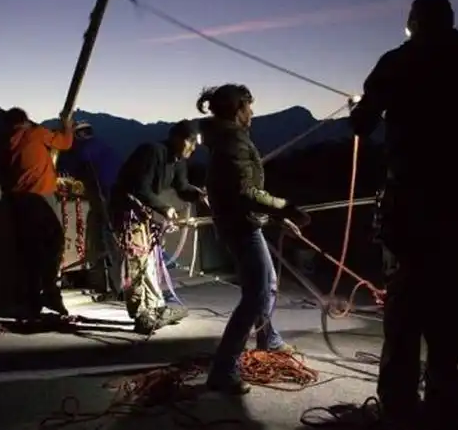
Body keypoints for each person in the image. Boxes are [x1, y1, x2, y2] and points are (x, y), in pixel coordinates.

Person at [348, 0, 458, 429]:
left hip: (410, 199)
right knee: (447, 296)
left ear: (414, 22)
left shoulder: (398, 61)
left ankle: (398, 404)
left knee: (404, 300)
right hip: (455, 196)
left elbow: (362, 124)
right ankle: (443, 397)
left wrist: (362, 107)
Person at [198, 84, 311, 395]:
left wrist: (277, 216)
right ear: (238, 109)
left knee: (266, 284)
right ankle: (223, 369)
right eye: (249, 106)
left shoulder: (225, 138)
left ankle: (268, 338)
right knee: (256, 294)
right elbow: (245, 192)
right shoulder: (233, 140)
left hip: (240, 221)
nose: (252, 113)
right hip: (241, 225)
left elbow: (241, 191)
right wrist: (286, 207)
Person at [109, 120, 204, 335]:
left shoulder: (178, 161)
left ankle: (155, 305)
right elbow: (140, 188)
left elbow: (182, 187)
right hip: (126, 209)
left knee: (150, 259)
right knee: (136, 259)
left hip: (143, 210)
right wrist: (165, 208)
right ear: (177, 139)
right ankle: (140, 312)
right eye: (190, 142)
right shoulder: (152, 152)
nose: (193, 147)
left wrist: (199, 194)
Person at [1, 107, 74, 318]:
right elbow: (64, 143)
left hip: (17, 201)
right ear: (25, 121)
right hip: (40, 197)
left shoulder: (5, 143)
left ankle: (31, 301)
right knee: (54, 242)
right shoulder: (36, 133)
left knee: (29, 251)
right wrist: (67, 125)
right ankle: (49, 292)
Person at [64, 122, 123, 297]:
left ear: (80, 134)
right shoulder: (105, 147)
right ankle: (112, 286)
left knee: (106, 242)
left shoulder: (85, 150)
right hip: (115, 198)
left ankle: (114, 288)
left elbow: (85, 175)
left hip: (103, 199)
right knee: (107, 241)